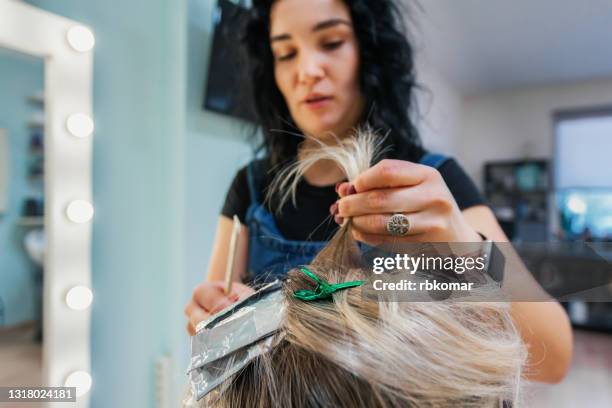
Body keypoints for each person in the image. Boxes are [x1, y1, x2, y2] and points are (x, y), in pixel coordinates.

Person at [184, 0, 572, 384]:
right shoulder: (250, 187)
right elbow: (214, 344)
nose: (307, 70)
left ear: (368, 52)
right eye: (286, 53)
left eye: (332, 42)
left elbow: (553, 356)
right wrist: (212, 320)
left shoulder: (436, 180)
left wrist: (465, 249)